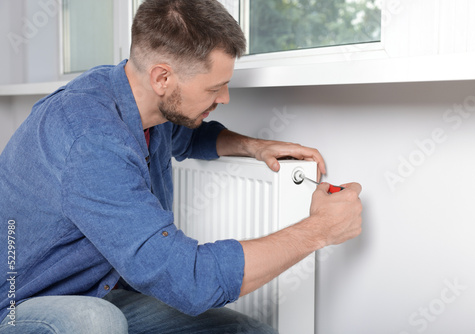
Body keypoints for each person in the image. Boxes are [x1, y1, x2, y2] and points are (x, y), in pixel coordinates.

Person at [0, 0, 363, 333]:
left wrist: (254, 146)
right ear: (162, 78)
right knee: (95, 323)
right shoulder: (90, 138)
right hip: (17, 307)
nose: (224, 97)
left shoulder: (136, 97)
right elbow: (189, 280)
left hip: (90, 289)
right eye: (214, 88)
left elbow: (186, 136)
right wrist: (320, 229)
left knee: (246, 332)